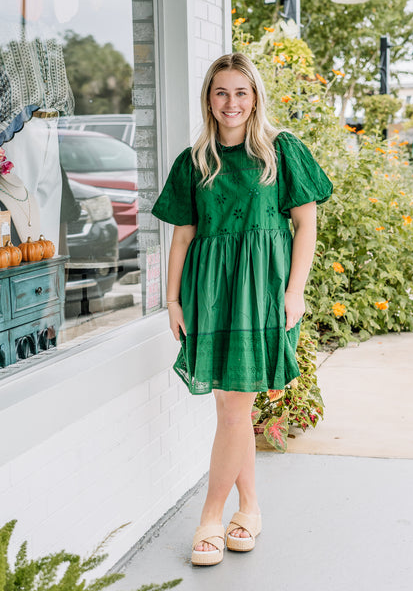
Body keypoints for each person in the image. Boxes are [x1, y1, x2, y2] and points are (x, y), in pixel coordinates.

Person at [151, 53, 332, 566]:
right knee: (232, 408)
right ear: (209, 99)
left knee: (234, 408)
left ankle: (210, 516)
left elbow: (306, 226)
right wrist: (172, 298)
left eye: (241, 93)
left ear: (255, 97)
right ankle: (248, 509)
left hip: (263, 291)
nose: (231, 103)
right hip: (208, 292)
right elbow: (183, 237)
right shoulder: (195, 161)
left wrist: (294, 292)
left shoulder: (282, 151)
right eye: (221, 93)